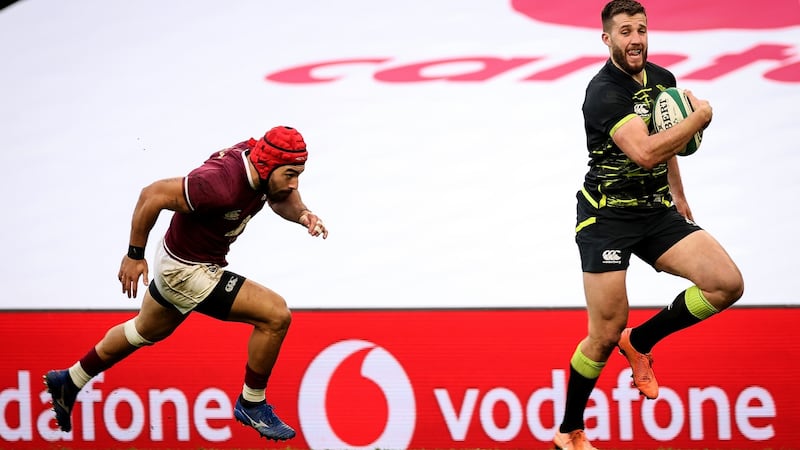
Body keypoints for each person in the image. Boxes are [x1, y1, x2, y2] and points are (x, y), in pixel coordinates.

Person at [44, 125, 328, 442]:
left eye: (298, 174)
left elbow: (279, 196)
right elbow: (152, 195)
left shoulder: (260, 161)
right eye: (290, 174)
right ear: (266, 166)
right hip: (186, 270)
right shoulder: (219, 184)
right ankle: (252, 402)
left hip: (179, 258)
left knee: (143, 331)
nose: (294, 183)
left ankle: (69, 380)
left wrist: (303, 214)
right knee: (275, 315)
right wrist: (134, 255)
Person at [553, 1, 744, 449]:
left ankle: (639, 341)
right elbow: (645, 151)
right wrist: (700, 118)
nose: (635, 38)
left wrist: (678, 195)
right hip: (607, 218)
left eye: (640, 29)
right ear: (607, 39)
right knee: (602, 334)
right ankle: (569, 431)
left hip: (655, 211)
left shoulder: (664, 80)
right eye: (624, 31)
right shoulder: (603, 92)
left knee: (726, 284)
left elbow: (667, 145)